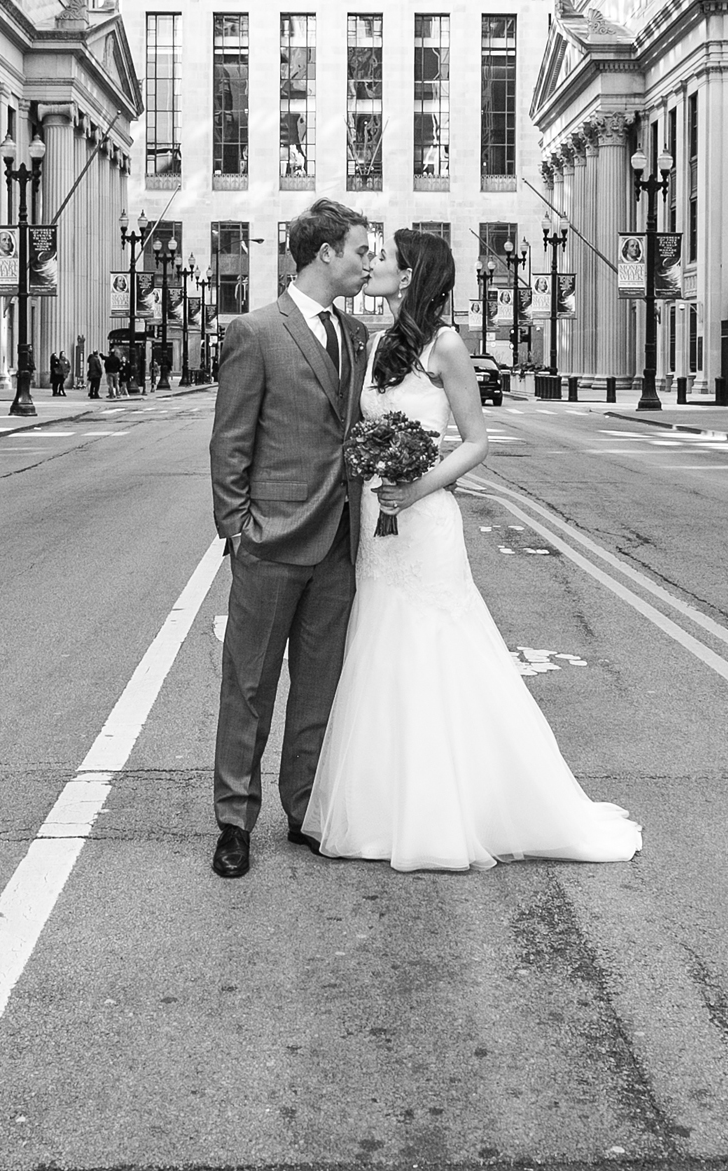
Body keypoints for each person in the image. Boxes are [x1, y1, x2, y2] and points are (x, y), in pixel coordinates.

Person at [303, 227, 641, 872]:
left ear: (411, 276)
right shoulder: (376, 343)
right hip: (377, 519)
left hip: (424, 517)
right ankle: (380, 806)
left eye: (386, 259)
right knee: (380, 649)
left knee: (434, 649)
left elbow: (475, 441)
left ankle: (448, 811)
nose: (373, 264)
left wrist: (414, 486)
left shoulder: (448, 345)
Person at [207, 199, 373, 879]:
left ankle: (302, 807)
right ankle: (233, 820)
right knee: (248, 683)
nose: (368, 261)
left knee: (319, 686)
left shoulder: (356, 336)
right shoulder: (256, 331)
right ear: (325, 252)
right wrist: (238, 531)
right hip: (269, 541)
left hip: (337, 541)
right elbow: (229, 443)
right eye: (361, 249)